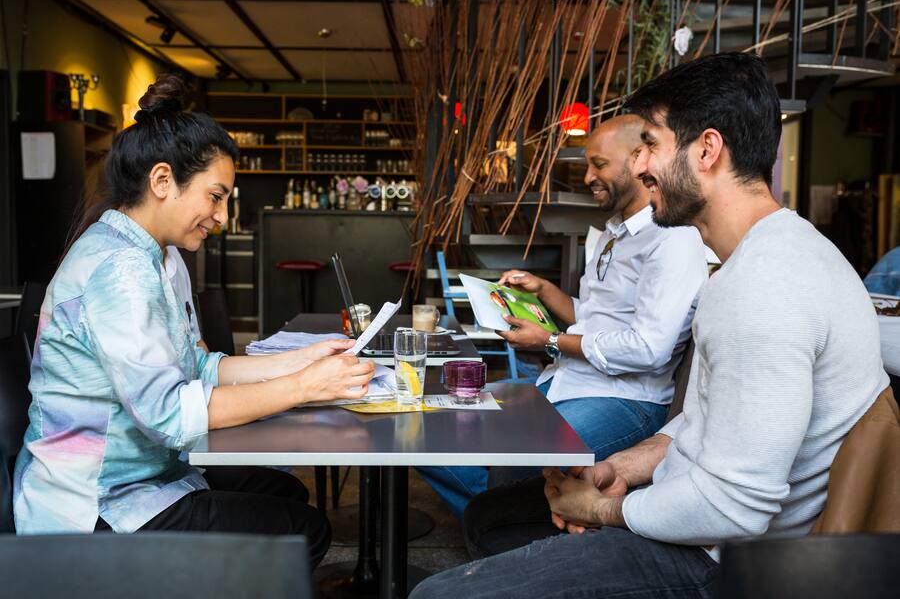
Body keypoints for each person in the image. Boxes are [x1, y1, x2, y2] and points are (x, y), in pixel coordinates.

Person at [410, 52, 888, 598]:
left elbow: (735, 507)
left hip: (721, 562)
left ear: (706, 150)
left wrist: (606, 507)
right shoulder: (768, 256)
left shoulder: (764, 285)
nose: (639, 168)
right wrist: (628, 464)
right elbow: (709, 422)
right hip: (700, 518)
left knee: (435, 594)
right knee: (491, 517)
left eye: (652, 146)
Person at [13, 75, 375, 568]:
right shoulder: (119, 270)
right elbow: (167, 414)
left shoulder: (161, 259)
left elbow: (199, 367)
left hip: (149, 475)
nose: (223, 216)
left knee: (285, 493)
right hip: (96, 505)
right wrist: (304, 387)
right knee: (300, 532)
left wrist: (303, 361)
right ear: (163, 181)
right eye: (216, 196)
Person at [417, 115, 709, 519]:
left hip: (624, 400)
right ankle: (501, 515)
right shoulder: (613, 233)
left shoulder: (673, 240)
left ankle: (502, 517)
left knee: (508, 462)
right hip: (566, 380)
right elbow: (593, 318)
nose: (588, 176)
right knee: (428, 428)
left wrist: (549, 341)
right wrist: (543, 290)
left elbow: (648, 349)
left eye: (599, 165)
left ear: (640, 159)